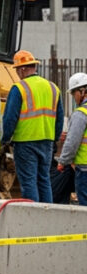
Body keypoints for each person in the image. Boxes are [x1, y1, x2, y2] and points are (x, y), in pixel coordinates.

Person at [1, 50, 63, 202]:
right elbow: (59, 119)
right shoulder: (53, 88)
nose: (16, 73)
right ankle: (47, 215)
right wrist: (54, 139)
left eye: (16, 70)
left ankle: (32, 217)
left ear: (22, 69)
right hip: (47, 142)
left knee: (28, 181)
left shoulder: (19, 88)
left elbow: (10, 118)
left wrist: (4, 139)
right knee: (44, 180)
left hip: (25, 142)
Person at [54, 72, 87, 206]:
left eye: (74, 93)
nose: (74, 97)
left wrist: (63, 161)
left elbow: (72, 142)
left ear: (82, 91)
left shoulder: (81, 113)